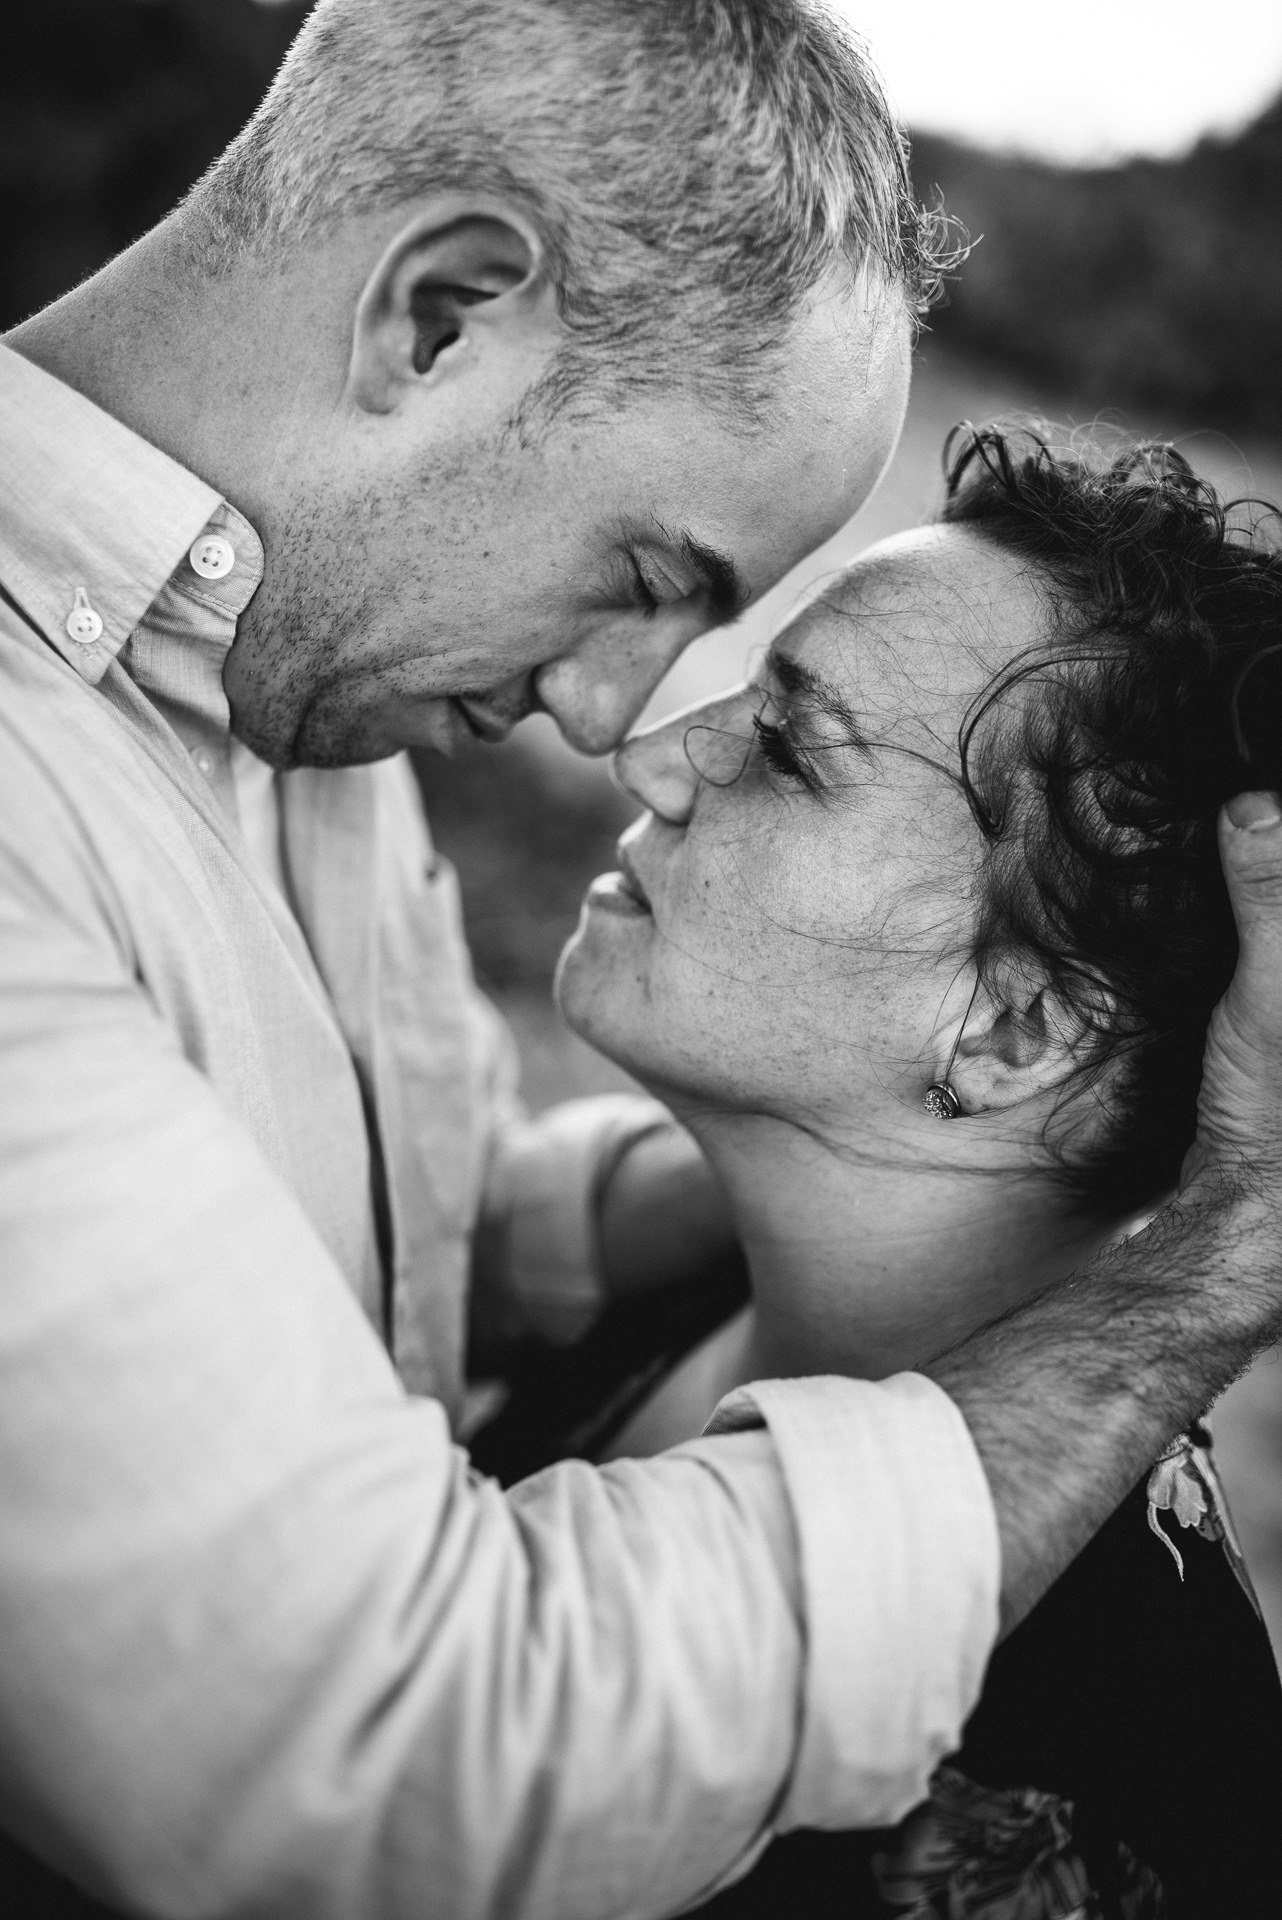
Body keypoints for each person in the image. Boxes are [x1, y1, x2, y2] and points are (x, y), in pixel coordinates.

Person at [2, 0, 1282, 1911]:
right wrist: (1217, 1257)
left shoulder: (294, 670)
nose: (622, 725)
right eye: (652, 577)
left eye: (785, 735)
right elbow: (406, 1758)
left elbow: (342, 1241)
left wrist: (795, 1208)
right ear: (439, 315)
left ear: (1018, 1023)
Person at [537, 422, 1282, 1915]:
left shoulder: (1103, 1744)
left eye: (786, 748)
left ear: (1014, 1031)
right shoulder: (696, 1286)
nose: (653, 754)